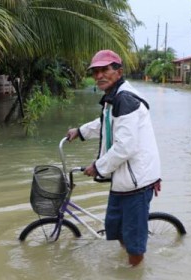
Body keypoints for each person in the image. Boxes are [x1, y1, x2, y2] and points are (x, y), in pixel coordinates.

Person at [66, 49, 161, 267]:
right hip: (123, 179)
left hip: (137, 181)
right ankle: (128, 259)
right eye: (95, 72)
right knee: (114, 226)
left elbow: (125, 147)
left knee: (134, 242)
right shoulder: (113, 98)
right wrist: (80, 131)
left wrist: (98, 167)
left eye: (104, 70)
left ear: (118, 71)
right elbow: (106, 123)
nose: (99, 75)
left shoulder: (125, 99)